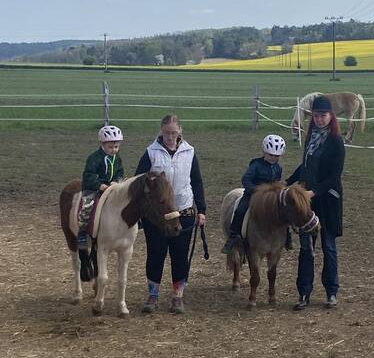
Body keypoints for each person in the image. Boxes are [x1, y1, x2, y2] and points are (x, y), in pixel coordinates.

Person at [135, 114, 206, 314]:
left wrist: (201, 210)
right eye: (166, 133)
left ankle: (177, 296)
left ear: (180, 131)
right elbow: (139, 181)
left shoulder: (189, 152)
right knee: (155, 254)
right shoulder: (151, 153)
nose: (170, 137)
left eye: (173, 133)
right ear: (161, 131)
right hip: (157, 216)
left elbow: (197, 181)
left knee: (180, 256)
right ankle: (153, 294)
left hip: (183, 210)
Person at [286, 96, 345, 310]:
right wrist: (287, 182)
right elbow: (305, 166)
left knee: (328, 247)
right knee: (305, 248)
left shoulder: (336, 141)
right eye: (316, 116)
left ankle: (331, 292)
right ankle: (303, 293)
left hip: (328, 201)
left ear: (331, 116)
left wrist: (313, 192)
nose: (319, 120)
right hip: (307, 203)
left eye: (323, 115)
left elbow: (334, 176)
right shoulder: (310, 137)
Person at [221, 134, 291, 254]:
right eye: (271, 155)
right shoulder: (256, 165)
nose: (274, 158)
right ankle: (233, 236)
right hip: (253, 195)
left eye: (277, 156)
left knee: (284, 211)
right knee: (240, 209)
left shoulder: (278, 168)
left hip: (270, 198)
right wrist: (255, 190)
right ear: (264, 152)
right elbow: (245, 179)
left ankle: (287, 236)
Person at [78, 125, 124, 282]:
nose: (114, 149)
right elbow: (88, 175)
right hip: (94, 188)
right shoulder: (94, 158)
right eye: (111, 146)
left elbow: (120, 173)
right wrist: (100, 185)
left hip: (110, 188)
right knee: (87, 207)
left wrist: (117, 182)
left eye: (116, 146)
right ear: (102, 144)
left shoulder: (117, 159)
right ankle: (82, 233)